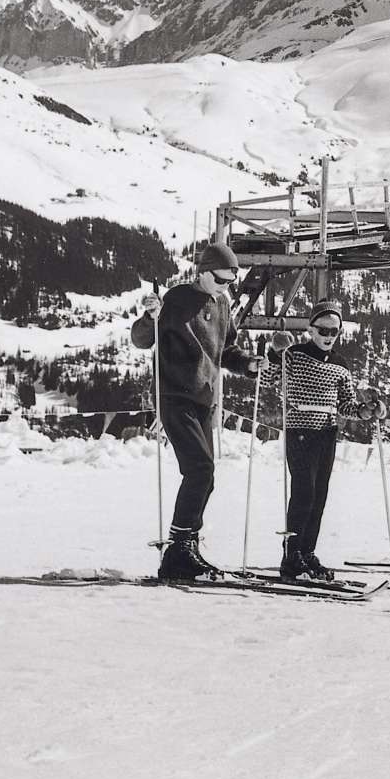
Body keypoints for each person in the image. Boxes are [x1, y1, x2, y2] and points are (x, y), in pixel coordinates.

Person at [144, 240, 257, 580]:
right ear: (203, 272)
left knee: (206, 478)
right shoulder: (176, 299)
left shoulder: (221, 304)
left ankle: (187, 546)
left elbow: (228, 350)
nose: (226, 287)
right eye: (220, 280)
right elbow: (142, 338)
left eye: (230, 282)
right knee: (199, 469)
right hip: (174, 395)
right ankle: (177, 550)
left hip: (203, 399)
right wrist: (150, 317)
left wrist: (248, 364)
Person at [259, 302, 366, 582]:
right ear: (311, 329)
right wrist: (275, 353)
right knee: (304, 492)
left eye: (334, 331)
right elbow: (267, 379)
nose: (329, 336)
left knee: (319, 495)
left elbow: (346, 404)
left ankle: (307, 552)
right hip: (300, 428)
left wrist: (364, 411)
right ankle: (292, 555)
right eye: (323, 330)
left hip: (327, 432)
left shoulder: (341, 365)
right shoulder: (294, 355)